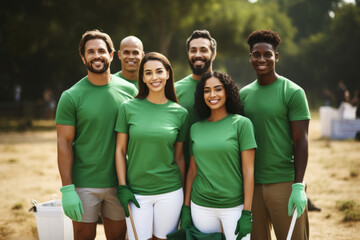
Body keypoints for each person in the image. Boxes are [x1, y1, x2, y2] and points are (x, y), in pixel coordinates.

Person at [55, 29, 138, 240]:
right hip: (84, 184)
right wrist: (67, 189)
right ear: (83, 57)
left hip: (120, 183)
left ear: (111, 55)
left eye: (101, 50)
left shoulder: (131, 92)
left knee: (119, 238)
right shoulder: (71, 96)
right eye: (90, 52)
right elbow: (64, 142)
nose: (96, 55)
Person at [240, 30, 310, 240]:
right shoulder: (243, 95)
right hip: (252, 187)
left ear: (276, 57)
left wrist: (298, 185)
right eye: (256, 54)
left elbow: (302, 142)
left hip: (284, 184)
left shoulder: (293, 92)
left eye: (267, 54)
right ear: (250, 57)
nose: (262, 59)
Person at [115, 52, 189, 240]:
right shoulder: (128, 108)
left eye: (158, 71)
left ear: (168, 74)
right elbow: (120, 150)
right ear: (143, 78)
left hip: (170, 191)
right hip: (137, 193)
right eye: (148, 73)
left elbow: (179, 157)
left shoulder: (180, 113)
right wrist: (123, 186)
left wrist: (182, 196)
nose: (154, 77)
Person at [180, 71, 256, 240]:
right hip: (201, 206)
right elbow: (192, 171)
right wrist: (186, 207)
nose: (212, 95)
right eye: (207, 90)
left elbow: (248, 170)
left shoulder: (242, 124)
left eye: (218, 89)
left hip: (234, 206)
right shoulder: (195, 128)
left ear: (228, 92)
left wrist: (247, 212)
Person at [175, 29, 217, 168]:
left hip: (217, 167)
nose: (197, 55)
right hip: (183, 168)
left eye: (203, 50)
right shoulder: (174, 90)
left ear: (213, 53)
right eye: (193, 50)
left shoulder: (224, 89)